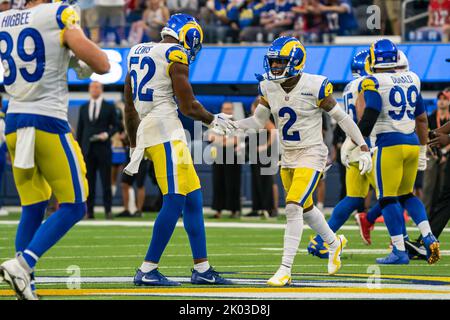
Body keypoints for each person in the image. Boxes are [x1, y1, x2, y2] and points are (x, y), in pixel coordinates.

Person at [235, 36, 372, 286]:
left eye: (280, 62)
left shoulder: (315, 85)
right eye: (273, 62)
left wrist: (363, 146)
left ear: (295, 62)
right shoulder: (268, 87)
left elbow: (342, 118)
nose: (274, 67)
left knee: (293, 206)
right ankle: (334, 242)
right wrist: (230, 125)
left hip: (311, 152)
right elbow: (257, 121)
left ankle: (285, 269)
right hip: (288, 155)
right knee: (306, 209)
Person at [0, 0, 110, 300]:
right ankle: (24, 263)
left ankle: (26, 284)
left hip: (14, 120)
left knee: (33, 206)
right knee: (75, 205)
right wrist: (79, 52)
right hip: (46, 119)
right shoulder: (58, 12)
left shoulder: (5, 18)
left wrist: (67, 56)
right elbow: (102, 64)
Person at [123, 13, 235, 286]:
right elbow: (188, 106)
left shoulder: (136, 51)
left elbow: (128, 106)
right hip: (165, 132)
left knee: (192, 200)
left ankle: (202, 269)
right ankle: (148, 269)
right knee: (174, 200)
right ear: (189, 35)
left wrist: (133, 141)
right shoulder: (175, 54)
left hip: (153, 131)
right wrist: (213, 119)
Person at [348, 39, 440, 265]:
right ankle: (428, 235)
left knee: (387, 199)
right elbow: (421, 118)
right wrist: (421, 148)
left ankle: (399, 250)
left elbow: (371, 110)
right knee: (407, 195)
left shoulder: (372, 81)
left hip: (389, 144)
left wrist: (361, 145)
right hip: (410, 142)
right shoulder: (413, 78)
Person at [307, 50, 373, 257]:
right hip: (370, 144)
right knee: (393, 196)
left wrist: (348, 142)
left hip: (351, 145)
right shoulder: (368, 84)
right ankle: (399, 244)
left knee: (353, 198)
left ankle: (321, 240)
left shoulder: (348, 87)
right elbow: (368, 115)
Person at [77, 81, 118, 220]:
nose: (94, 89)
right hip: (88, 150)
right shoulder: (83, 107)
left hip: (103, 149)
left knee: (106, 181)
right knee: (89, 183)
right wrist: (80, 151)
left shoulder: (109, 106)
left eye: (96, 87)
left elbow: (117, 126)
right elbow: (80, 131)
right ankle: (89, 212)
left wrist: (107, 134)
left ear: (101, 89)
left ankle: (108, 211)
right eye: (92, 87)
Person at [210, 102, 242, 219]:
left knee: (233, 183)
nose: (227, 111)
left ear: (232, 111)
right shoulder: (216, 123)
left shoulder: (237, 124)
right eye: (225, 109)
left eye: (229, 109)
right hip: (218, 155)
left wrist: (222, 140)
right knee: (218, 183)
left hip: (233, 156)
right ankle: (218, 210)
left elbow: (236, 140)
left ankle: (234, 210)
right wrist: (224, 140)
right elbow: (211, 138)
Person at [422, 91, 450, 214]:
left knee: (443, 187)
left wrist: (444, 152)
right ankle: (425, 214)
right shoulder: (431, 117)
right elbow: (428, 136)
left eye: (445, 98)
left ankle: (439, 213)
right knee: (428, 186)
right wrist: (436, 153)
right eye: (439, 98)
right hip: (432, 153)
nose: (441, 101)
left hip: (448, 154)